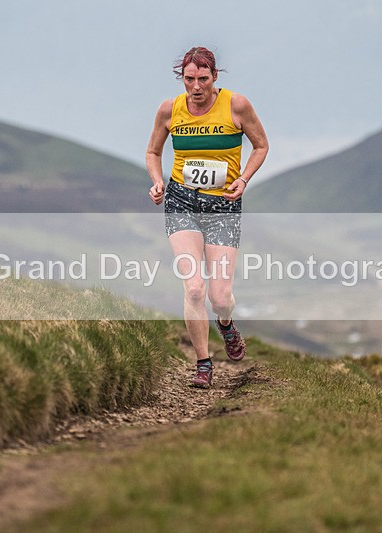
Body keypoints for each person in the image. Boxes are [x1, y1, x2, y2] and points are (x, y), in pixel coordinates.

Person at [146, 47, 268, 388]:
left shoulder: (236, 105)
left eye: (202, 79)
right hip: (181, 201)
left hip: (224, 207)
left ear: (214, 77)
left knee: (219, 297)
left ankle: (226, 325)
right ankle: (203, 364)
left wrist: (243, 179)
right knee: (195, 288)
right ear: (181, 79)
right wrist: (158, 182)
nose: (196, 87)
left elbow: (261, 145)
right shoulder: (170, 109)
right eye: (189, 80)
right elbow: (153, 151)